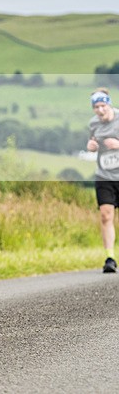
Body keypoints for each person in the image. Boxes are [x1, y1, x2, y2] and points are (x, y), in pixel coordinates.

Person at [86, 88, 119, 273]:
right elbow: (92, 142)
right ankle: (110, 258)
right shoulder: (93, 124)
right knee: (106, 215)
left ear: (109, 103)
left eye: (102, 105)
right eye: (96, 107)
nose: (100, 110)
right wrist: (91, 147)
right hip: (104, 175)